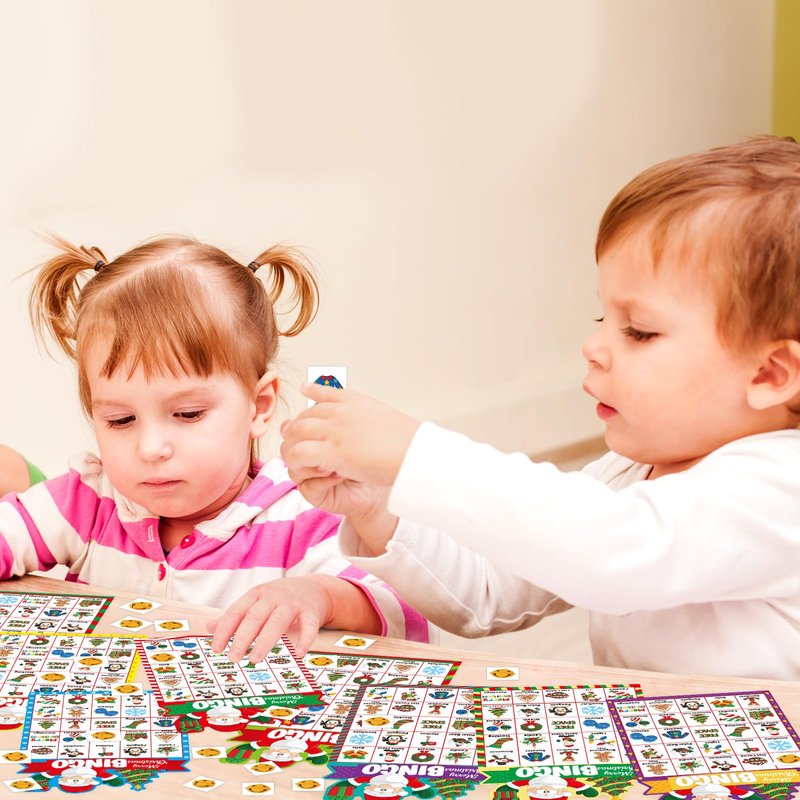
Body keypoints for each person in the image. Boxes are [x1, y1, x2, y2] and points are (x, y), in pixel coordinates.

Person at [281, 135, 800, 680]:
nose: (593, 346)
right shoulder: (630, 472)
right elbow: (487, 593)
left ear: (769, 374)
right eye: (603, 319)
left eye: (639, 331)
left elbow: (613, 551)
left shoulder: (780, 487)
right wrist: (377, 508)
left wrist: (415, 454)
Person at [0, 235, 430, 662]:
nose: (150, 448)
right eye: (121, 420)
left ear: (259, 406)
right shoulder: (90, 499)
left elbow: (403, 615)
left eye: (187, 414)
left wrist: (322, 596)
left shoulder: (303, 514)